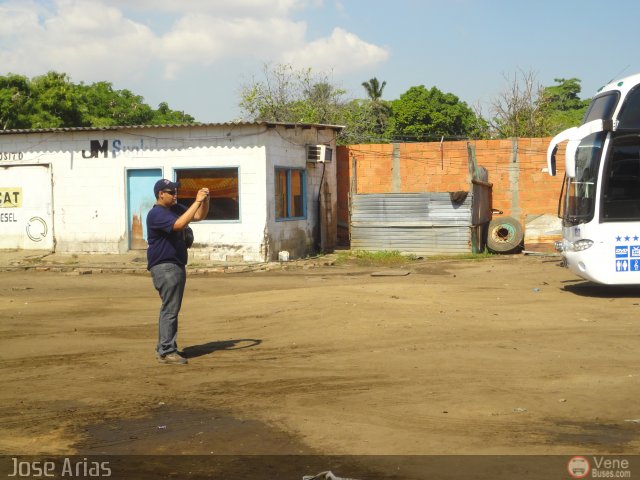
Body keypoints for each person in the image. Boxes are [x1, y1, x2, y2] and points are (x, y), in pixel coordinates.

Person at [147, 178, 210, 365]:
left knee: (171, 308)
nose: (175, 195)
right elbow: (179, 225)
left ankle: (164, 347)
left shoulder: (173, 209)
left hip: (175, 265)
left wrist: (205, 201)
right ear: (161, 194)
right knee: (170, 310)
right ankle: (167, 351)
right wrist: (197, 200)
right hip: (165, 266)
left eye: (176, 192)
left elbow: (198, 216)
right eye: (171, 192)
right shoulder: (156, 213)